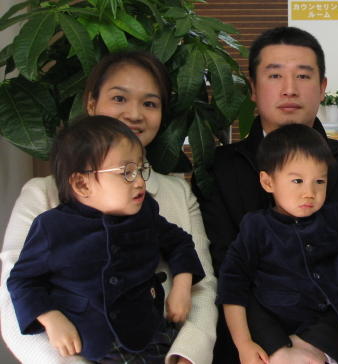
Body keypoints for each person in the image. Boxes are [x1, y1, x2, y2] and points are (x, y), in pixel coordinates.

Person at [0, 51, 218, 364]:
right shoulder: (42, 196)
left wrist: (186, 356)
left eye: (150, 103)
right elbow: (14, 293)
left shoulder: (174, 194)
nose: (135, 114)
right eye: (119, 98)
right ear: (91, 103)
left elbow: (203, 286)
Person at [198, 26, 338, 363]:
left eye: (303, 75)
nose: (289, 89)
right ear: (253, 89)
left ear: (323, 87)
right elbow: (226, 267)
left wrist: (312, 345)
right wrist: (277, 348)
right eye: (275, 76)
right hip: (253, 351)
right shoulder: (221, 167)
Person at [219, 124, 338, 364]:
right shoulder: (256, 227)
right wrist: (244, 343)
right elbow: (232, 286)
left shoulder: (334, 218)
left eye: (320, 181)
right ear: (268, 182)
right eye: (297, 180)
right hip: (278, 333)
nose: (310, 192)